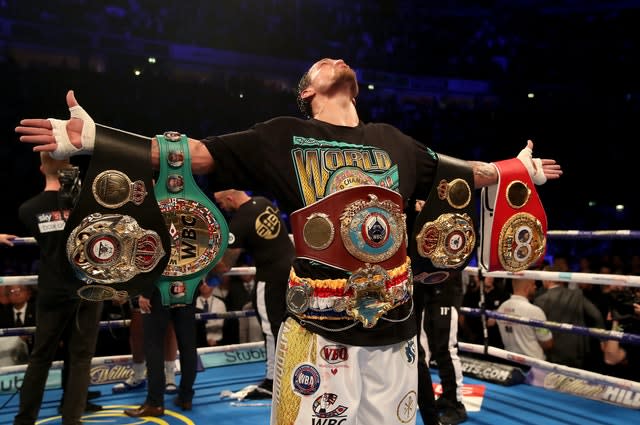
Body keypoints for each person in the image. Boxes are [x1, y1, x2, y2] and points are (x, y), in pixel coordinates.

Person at [15, 58, 562, 424]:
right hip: (321, 334)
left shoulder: (397, 141)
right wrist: (96, 139)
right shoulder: (282, 136)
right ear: (308, 92)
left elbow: (468, 173)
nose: (335, 61)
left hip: (396, 332)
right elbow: (195, 154)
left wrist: (522, 169)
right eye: (320, 64)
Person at [14, 152, 103, 425]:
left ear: (42, 168)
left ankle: (25, 420)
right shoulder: (89, 204)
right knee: (80, 358)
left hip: (52, 288)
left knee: (41, 356)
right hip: (88, 285)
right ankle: (71, 420)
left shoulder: (28, 209)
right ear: (70, 167)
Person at [213, 189, 295, 399]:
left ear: (230, 198)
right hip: (291, 273)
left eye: (221, 203)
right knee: (286, 325)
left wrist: (202, 257)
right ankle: (287, 375)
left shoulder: (240, 220)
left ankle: (272, 381)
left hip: (270, 278)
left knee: (270, 327)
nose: (222, 207)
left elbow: (223, 265)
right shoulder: (264, 200)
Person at [534, 265, 604, 368]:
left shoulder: (540, 300)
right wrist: (603, 339)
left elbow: (540, 327)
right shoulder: (577, 295)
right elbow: (596, 315)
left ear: (548, 279)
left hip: (554, 350)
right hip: (577, 349)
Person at [110, 296, 180, 396]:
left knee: (169, 327)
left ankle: (170, 378)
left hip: (165, 286)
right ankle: (138, 376)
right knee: (137, 327)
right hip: (141, 287)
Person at [496, 277, 553, 360]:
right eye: (533, 284)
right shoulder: (535, 311)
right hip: (533, 363)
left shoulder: (502, 307)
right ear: (528, 287)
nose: (535, 287)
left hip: (510, 360)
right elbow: (547, 343)